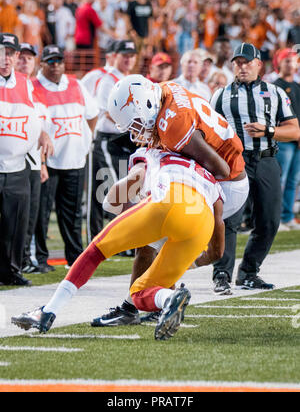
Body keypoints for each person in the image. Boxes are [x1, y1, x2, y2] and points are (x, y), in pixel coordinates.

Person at [11, 147, 225, 341]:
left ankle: (48, 311)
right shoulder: (210, 177)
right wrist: (190, 262)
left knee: (96, 250)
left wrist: (117, 208)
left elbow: (117, 195)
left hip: (168, 202)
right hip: (202, 223)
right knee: (141, 292)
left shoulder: (155, 153)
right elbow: (217, 250)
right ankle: (169, 297)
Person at [91, 72, 248, 325]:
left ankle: (152, 302)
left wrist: (174, 167)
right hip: (221, 173)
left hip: (227, 184)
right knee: (152, 239)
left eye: (135, 124)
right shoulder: (162, 92)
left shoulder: (173, 126)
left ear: (148, 106)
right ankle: (144, 303)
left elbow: (221, 169)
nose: (136, 132)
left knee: (161, 234)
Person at [210, 42, 300, 292]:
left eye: (247, 61)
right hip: (234, 162)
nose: (242, 66)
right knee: (229, 219)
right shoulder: (220, 94)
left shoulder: (275, 92)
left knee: (270, 220)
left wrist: (268, 130)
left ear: (258, 64)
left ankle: (249, 272)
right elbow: (208, 130)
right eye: (237, 62)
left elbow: (294, 130)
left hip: (266, 159)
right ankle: (221, 275)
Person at [33, 45, 99, 273]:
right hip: (47, 162)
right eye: (50, 61)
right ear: (42, 64)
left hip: (74, 159)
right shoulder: (34, 86)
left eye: (59, 61)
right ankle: (39, 259)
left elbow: (92, 114)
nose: (55, 66)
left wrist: (86, 139)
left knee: (71, 214)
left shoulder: (75, 84)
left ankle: (75, 259)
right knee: (41, 213)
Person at [0, 33, 44, 286]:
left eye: (10, 53)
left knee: (15, 223)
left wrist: (44, 133)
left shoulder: (26, 83)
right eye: (2, 52)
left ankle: (10, 270)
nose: (6, 58)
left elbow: (35, 116)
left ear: (17, 56)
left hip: (18, 164)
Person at [86, 39, 137, 242]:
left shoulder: (128, 78)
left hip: (123, 140)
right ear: (115, 56)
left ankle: (112, 238)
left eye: (131, 55)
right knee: (114, 189)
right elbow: (109, 113)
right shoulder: (107, 79)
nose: (128, 59)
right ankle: (119, 239)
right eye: (124, 55)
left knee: (110, 189)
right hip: (107, 139)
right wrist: (136, 127)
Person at [15, 43, 53, 275]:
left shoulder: (36, 91)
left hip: (32, 161)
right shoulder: (8, 88)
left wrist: (42, 163)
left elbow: (40, 128)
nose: (24, 62)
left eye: (29, 58)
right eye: (21, 57)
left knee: (30, 214)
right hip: (12, 161)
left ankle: (24, 258)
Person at [273, 48, 300, 230]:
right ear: (279, 64)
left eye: (293, 60)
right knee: (280, 180)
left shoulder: (297, 86)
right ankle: (276, 218)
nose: (291, 64)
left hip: (297, 140)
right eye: (287, 60)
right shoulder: (276, 86)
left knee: (292, 180)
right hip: (284, 139)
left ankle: (288, 216)